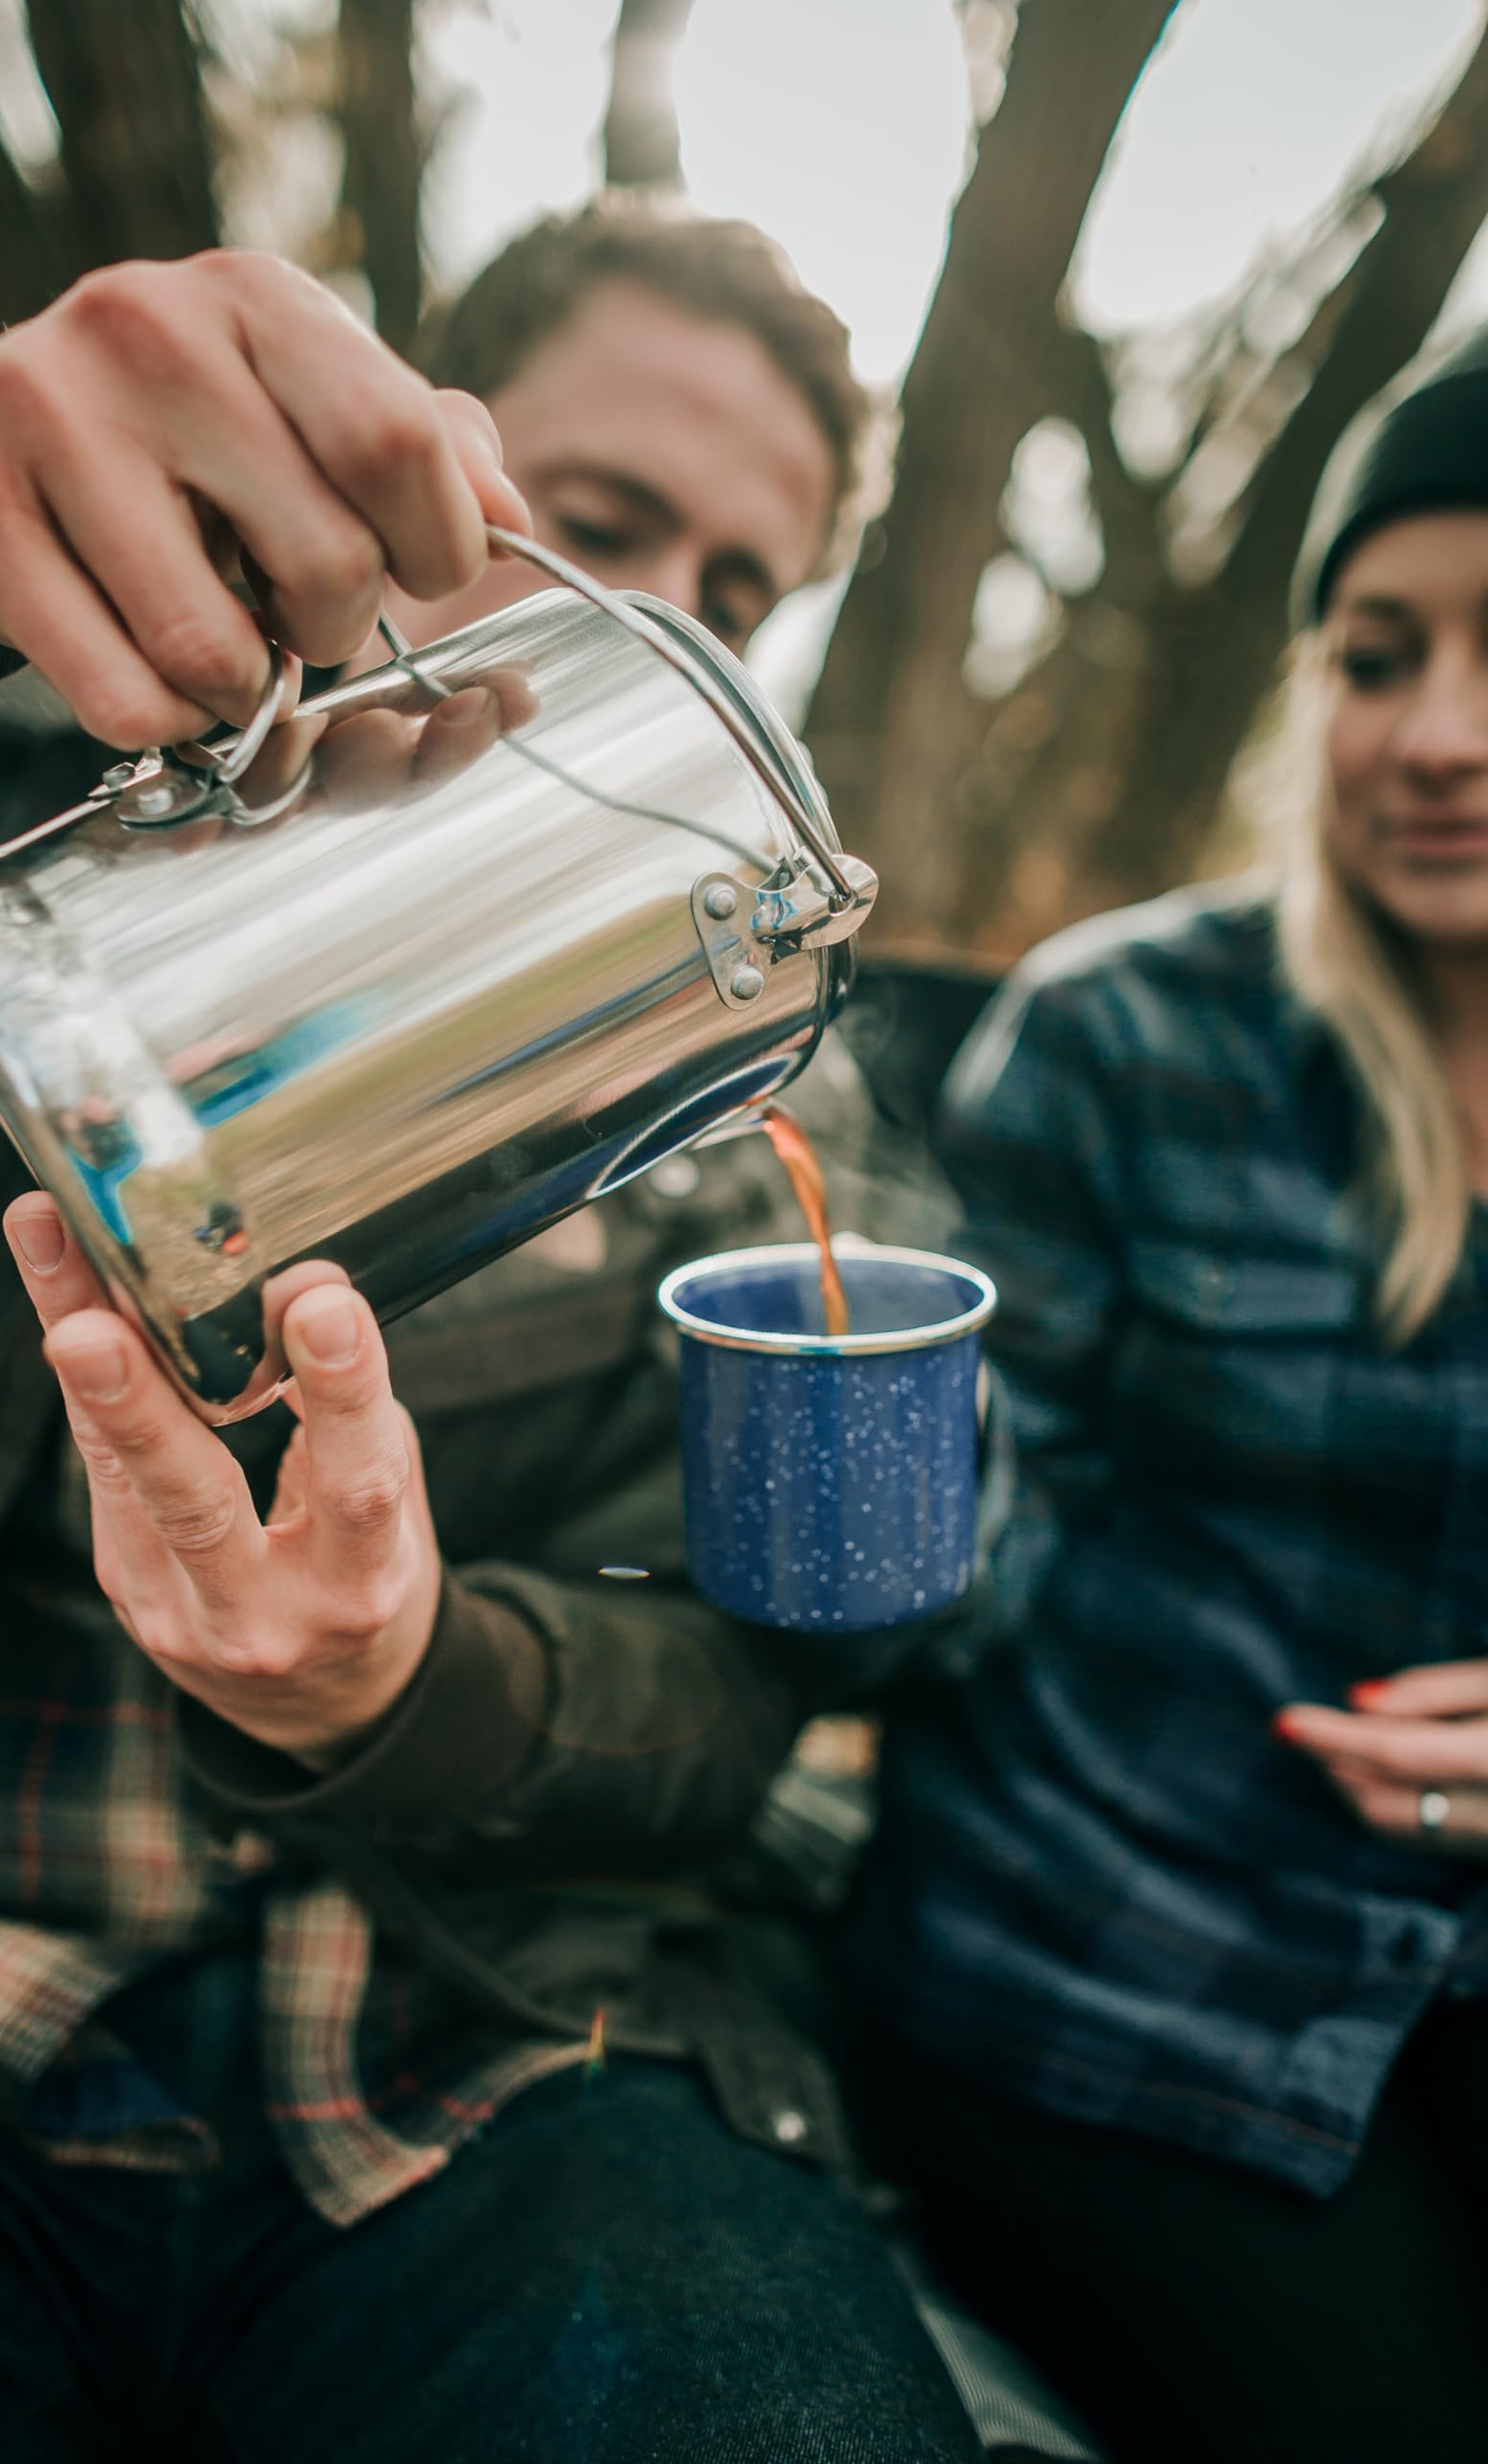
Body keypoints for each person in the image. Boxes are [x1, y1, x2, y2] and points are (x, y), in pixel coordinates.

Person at [0, 201, 984, 2461]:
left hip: (502, 2061)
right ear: (390, 456)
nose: (664, 606)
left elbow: (775, 1666)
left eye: (735, 586)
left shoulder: (773, 1070)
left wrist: (416, 1683)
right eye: (603, 515)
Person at [850, 325, 1488, 2464]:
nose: (1435, 734)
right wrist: (866, 1486)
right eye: (1374, 653)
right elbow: (966, 1559)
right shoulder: (1127, 1034)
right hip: (1118, 1961)